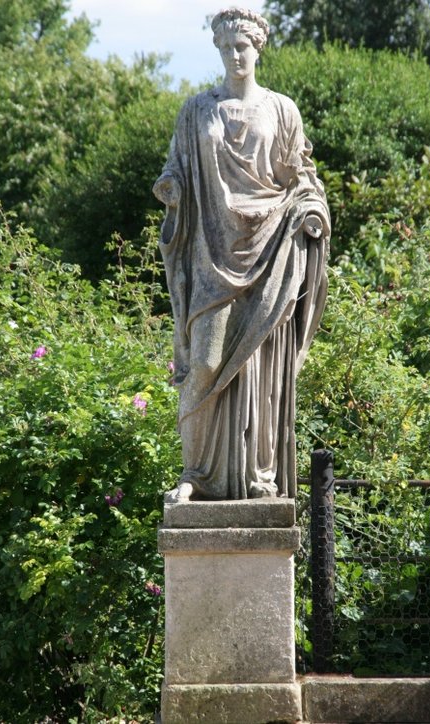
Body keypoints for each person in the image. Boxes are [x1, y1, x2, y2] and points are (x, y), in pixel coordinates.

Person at [153, 8, 330, 503]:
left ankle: (259, 477)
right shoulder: (196, 112)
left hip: (270, 249)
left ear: (257, 49)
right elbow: (177, 169)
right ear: (218, 49)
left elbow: (303, 180)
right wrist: (172, 189)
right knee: (205, 363)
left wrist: (311, 213)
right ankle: (195, 474)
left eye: (242, 46)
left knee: (263, 373)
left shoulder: (282, 111)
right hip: (212, 254)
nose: (235, 55)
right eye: (227, 47)